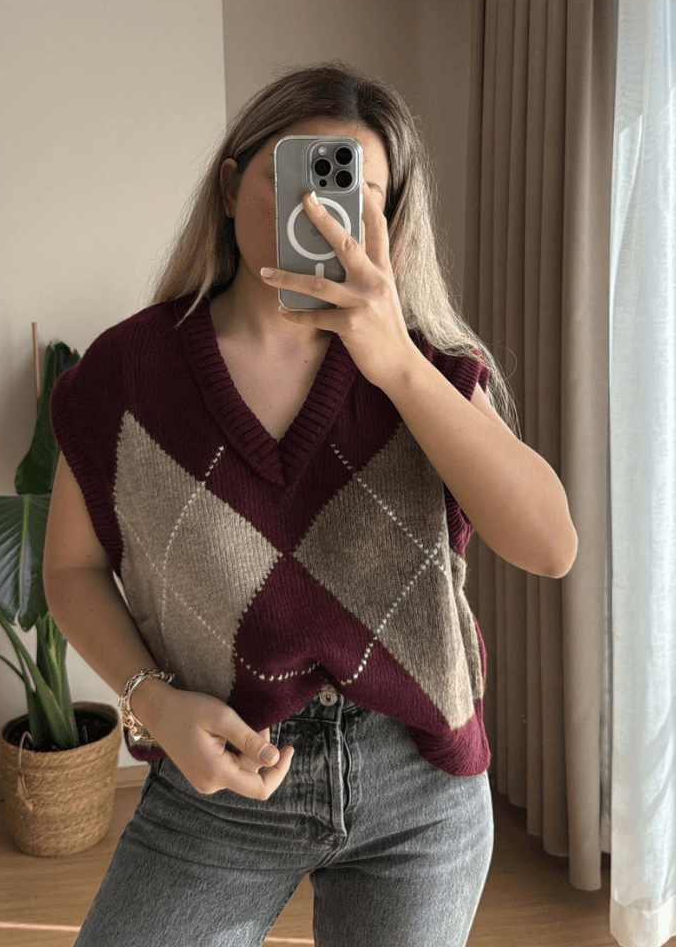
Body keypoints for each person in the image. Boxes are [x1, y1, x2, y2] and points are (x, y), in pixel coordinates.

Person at [44, 61, 577, 947]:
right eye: (297, 175)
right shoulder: (129, 376)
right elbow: (70, 569)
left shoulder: (425, 370)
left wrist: (397, 363)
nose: (318, 212)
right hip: (217, 782)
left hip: (419, 787)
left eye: (352, 190)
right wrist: (154, 704)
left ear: (390, 221)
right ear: (228, 189)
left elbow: (550, 545)